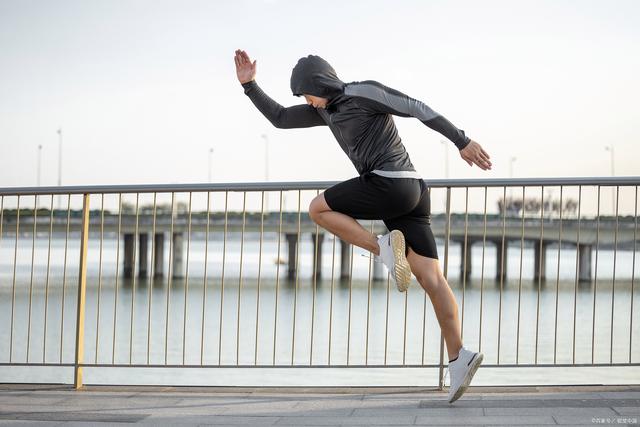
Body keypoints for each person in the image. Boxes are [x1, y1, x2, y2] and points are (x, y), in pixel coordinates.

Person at [234, 49, 491, 403]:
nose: (307, 102)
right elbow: (279, 118)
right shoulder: (324, 112)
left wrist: (461, 140)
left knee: (317, 209)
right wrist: (250, 86)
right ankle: (459, 356)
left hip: (391, 184)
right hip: (414, 192)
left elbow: (416, 107)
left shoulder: (362, 93)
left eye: (306, 94)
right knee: (432, 279)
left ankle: (382, 248)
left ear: (318, 83)